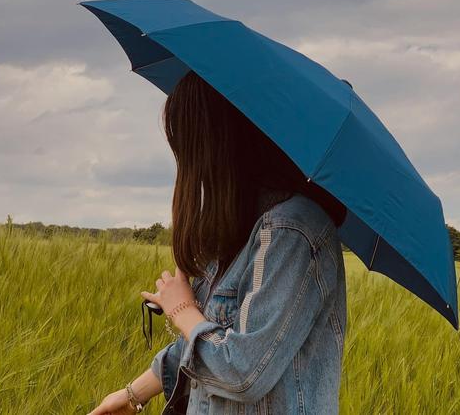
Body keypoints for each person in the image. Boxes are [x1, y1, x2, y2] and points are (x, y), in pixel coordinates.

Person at [88, 70, 348, 415]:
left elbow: (242, 370)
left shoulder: (291, 230)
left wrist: (182, 310)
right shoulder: (242, 225)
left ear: (220, 142)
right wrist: (133, 395)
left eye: (189, 144)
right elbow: (205, 341)